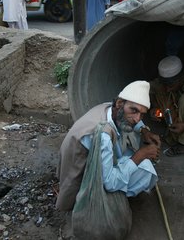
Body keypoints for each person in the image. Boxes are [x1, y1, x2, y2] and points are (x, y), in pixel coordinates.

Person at [56, 80, 160, 211]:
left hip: (73, 167)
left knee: (131, 147)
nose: (137, 119)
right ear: (119, 103)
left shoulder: (108, 108)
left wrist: (144, 131)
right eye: (134, 110)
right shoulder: (102, 134)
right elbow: (110, 183)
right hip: (80, 182)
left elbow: (135, 121)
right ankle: (112, 202)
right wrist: (140, 155)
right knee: (145, 168)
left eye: (142, 114)